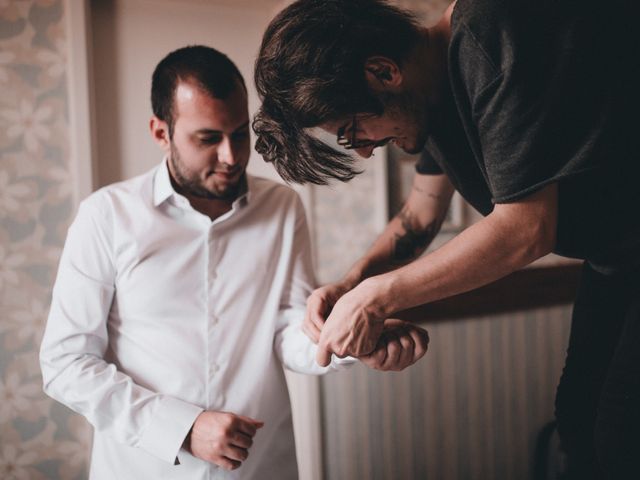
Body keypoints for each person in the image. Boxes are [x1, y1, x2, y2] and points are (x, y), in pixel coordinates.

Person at [252, 0, 640, 478]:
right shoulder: (432, 104)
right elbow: (419, 216)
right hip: (618, 261)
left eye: (353, 132)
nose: (368, 150)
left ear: (383, 71)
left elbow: (526, 229)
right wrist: (351, 286)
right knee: (577, 421)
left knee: (621, 436)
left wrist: (377, 299)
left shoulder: (489, 36)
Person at [39, 45, 429, 480]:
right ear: (160, 133)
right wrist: (181, 428)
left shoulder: (282, 207)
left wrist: (348, 342)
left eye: (240, 134)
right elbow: (66, 363)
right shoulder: (106, 217)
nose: (231, 156)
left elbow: (288, 328)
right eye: (208, 138)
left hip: (261, 468)